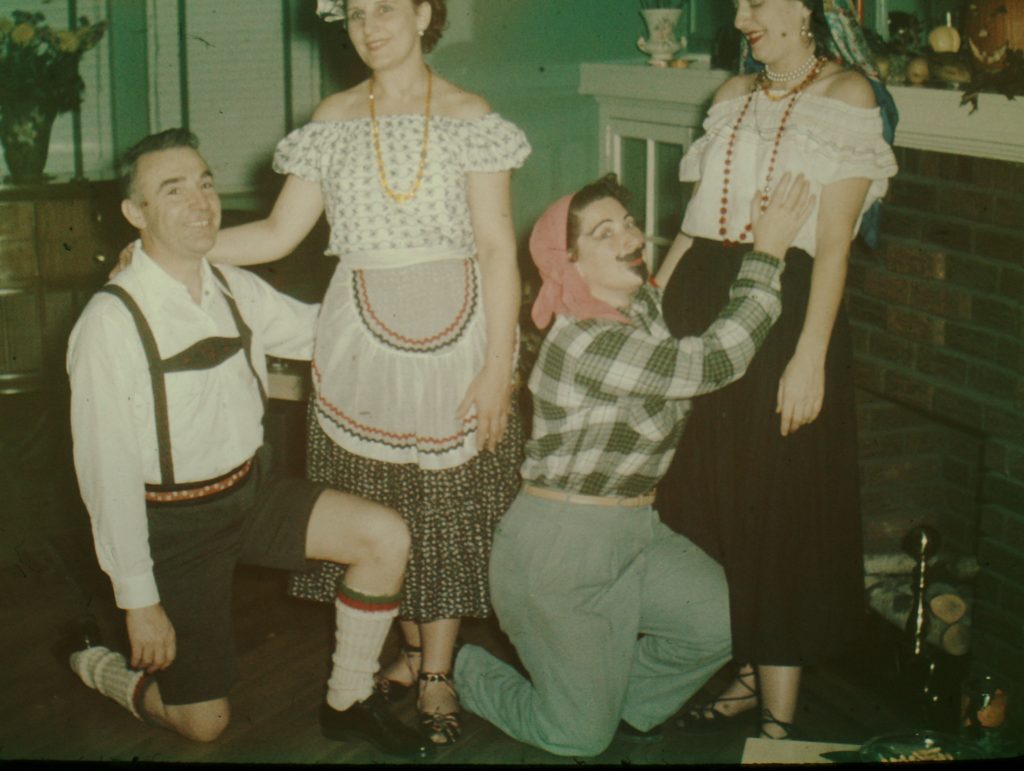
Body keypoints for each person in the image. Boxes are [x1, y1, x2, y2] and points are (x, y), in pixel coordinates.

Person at [179, 0, 530, 746]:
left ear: (424, 12)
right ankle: (406, 648)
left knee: (443, 508)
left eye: (387, 8)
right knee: (385, 504)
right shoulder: (333, 118)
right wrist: (174, 249)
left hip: (456, 340)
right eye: (356, 13)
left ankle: (437, 670)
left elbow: (499, 247)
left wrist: (499, 367)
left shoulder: (471, 114)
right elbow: (278, 233)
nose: (371, 26)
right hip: (362, 341)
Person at [66, 128, 429, 758]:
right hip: (172, 528)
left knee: (384, 535)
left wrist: (420, 309)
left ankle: (348, 700)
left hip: (251, 493)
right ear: (135, 213)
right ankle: (94, 661)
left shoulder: (231, 285)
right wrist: (138, 602)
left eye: (205, 183)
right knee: (205, 723)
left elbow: (324, 333)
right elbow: (106, 476)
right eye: (172, 190)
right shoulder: (110, 322)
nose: (200, 201)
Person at [453, 171, 815, 757]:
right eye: (604, 232)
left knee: (726, 623)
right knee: (576, 739)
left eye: (627, 221)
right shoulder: (588, 342)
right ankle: (455, 668)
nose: (629, 234)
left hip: (635, 534)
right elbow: (714, 362)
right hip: (560, 552)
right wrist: (768, 253)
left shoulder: (636, 307)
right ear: (567, 266)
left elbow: (661, 283)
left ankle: (605, 693)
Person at [654, 0, 899, 740]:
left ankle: (778, 729)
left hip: (785, 312)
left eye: (757, 2)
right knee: (711, 499)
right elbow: (692, 229)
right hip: (703, 302)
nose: (740, 15)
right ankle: (748, 668)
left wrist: (809, 357)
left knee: (779, 509)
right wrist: (645, 316)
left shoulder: (847, 98)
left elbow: (833, 245)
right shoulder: (731, 97)